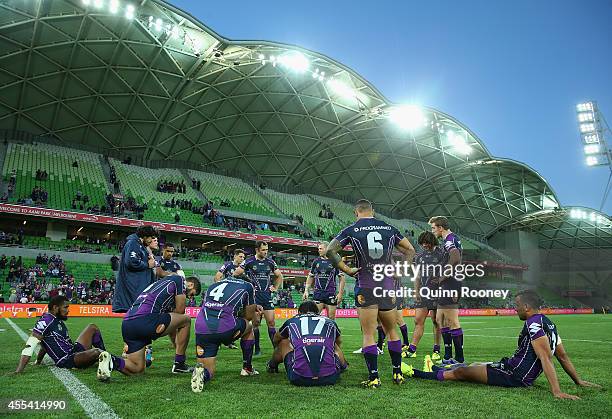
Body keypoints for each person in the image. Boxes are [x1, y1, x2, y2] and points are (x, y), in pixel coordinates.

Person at [403, 290, 601, 399]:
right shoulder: (548, 323)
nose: (515, 309)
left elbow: (545, 357)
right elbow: (563, 356)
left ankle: (417, 373)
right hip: (511, 367)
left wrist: (556, 391)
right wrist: (578, 381)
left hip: (516, 376)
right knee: (474, 366)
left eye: (516, 306)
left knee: (464, 373)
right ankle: (436, 368)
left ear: (526, 307)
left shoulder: (533, 324)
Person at [326, 199, 415, 387]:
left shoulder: (351, 229)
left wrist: (347, 269)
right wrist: (401, 270)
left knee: (368, 334)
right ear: (372, 211)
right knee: (392, 330)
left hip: (366, 285)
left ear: (356, 212)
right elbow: (410, 250)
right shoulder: (389, 228)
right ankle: (397, 374)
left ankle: (374, 377)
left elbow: (330, 250)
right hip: (387, 286)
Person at [98, 275, 202, 381]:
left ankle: (112, 361)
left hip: (127, 323)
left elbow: (173, 323)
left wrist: (177, 345)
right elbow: (180, 311)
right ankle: (179, 364)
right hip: (146, 320)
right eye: (192, 294)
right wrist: (179, 353)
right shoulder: (179, 280)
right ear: (190, 284)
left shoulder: (160, 286)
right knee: (186, 320)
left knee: (138, 368)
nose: (190, 298)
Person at [14, 296, 123, 377]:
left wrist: (38, 361)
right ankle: (114, 361)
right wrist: (19, 371)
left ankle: (104, 359)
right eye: (65, 307)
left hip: (73, 351)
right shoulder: (46, 321)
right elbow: (31, 344)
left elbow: (44, 345)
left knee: (92, 327)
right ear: (55, 307)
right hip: (66, 359)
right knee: (95, 352)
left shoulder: (57, 321)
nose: (68, 310)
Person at [191, 275, 263, 392]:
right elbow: (249, 316)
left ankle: (202, 375)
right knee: (249, 327)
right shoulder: (247, 286)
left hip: (202, 328)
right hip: (225, 327)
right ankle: (247, 368)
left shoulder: (214, 284)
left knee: (208, 369)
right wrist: (254, 308)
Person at [266, 301, 348, 386]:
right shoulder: (330, 322)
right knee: (333, 344)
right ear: (317, 312)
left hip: (298, 378)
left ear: (299, 312)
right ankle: (343, 366)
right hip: (330, 377)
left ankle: (272, 365)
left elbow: (276, 338)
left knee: (284, 342)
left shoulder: (292, 321)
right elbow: (339, 342)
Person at [233, 242, 283, 356]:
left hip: (266, 296)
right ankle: (257, 349)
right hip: (254, 298)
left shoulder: (270, 262)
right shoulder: (249, 261)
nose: (265, 252)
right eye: (263, 250)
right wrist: (247, 283)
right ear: (257, 250)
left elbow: (279, 275)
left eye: (266, 250)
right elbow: (236, 274)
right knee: (255, 323)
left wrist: (275, 287)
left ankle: (276, 348)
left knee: (271, 322)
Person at [429, 216, 464, 365]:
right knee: (440, 319)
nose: (432, 231)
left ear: (440, 228)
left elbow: (455, 258)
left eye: (433, 228)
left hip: (451, 283)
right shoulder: (450, 239)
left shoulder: (449, 240)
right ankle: (448, 355)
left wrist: (443, 277)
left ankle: (459, 358)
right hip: (448, 283)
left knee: (452, 321)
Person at [403, 231, 443, 360]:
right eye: (422, 243)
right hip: (423, 292)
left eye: (427, 243)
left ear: (432, 242)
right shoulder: (419, 257)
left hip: (438, 293)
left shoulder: (442, 254)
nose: (424, 245)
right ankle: (412, 349)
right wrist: (416, 291)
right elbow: (417, 276)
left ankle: (436, 349)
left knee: (436, 322)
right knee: (418, 320)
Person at [112, 226, 158, 313]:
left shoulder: (140, 245)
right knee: (135, 319)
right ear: (145, 236)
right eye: (151, 238)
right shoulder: (133, 243)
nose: (151, 241)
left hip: (137, 289)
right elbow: (131, 262)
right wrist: (147, 265)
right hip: (133, 290)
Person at [303, 242, 345, 321]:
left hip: (330, 293)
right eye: (318, 249)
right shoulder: (316, 261)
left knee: (331, 319)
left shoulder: (335, 261)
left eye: (321, 248)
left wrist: (340, 293)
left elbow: (342, 278)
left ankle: (331, 333)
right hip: (318, 293)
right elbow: (310, 276)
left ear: (327, 249)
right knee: (315, 318)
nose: (319, 250)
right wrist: (306, 290)